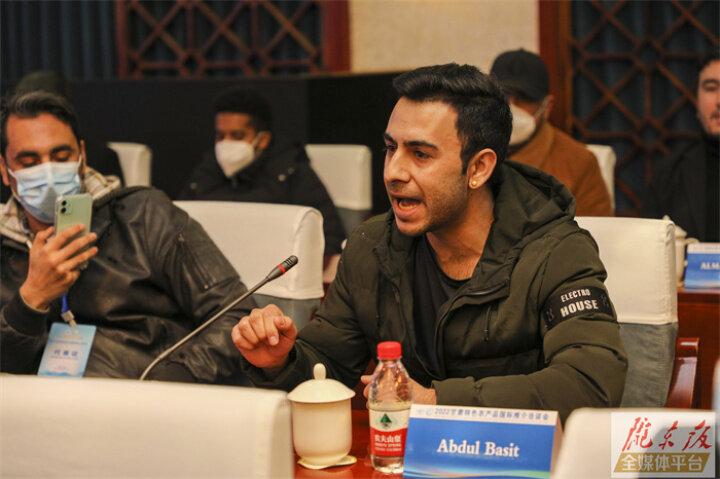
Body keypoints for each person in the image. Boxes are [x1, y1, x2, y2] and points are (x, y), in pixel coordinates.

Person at [231, 64, 627, 423]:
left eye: (420, 154)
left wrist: (439, 401)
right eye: (391, 148)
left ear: (478, 168)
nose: (393, 172)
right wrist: (280, 361)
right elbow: (327, 365)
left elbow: (590, 383)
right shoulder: (371, 246)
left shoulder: (557, 251)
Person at [0, 91, 251, 383]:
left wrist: (163, 384)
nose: (48, 172)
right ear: (5, 171)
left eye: (61, 157)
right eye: (30, 162)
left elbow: (236, 315)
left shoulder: (145, 215)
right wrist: (31, 300)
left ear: (81, 156)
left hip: (147, 395)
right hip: (39, 407)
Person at [179, 87, 346, 256]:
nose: (226, 144)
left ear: (263, 139)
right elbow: (177, 227)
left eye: (237, 136)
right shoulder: (206, 171)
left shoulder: (290, 171)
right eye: (220, 136)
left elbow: (329, 238)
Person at [490, 49, 613, 217]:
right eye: (502, 96)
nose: (510, 107)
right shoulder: (467, 148)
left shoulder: (579, 163)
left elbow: (597, 229)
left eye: (524, 98)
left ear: (547, 107)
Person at [643, 51, 720, 242]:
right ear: (696, 101)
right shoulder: (669, 176)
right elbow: (649, 250)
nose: (719, 100)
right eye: (711, 88)